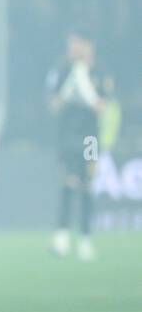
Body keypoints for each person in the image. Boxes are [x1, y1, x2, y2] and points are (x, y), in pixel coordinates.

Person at [47, 33, 112, 261]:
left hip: (90, 138)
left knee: (87, 185)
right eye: (71, 44)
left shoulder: (99, 71)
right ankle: (61, 238)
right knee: (68, 182)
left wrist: (86, 87)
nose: (74, 48)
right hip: (67, 136)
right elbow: (54, 104)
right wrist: (69, 87)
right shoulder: (62, 70)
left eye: (78, 44)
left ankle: (85, 239)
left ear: (88, 45)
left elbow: (102, 105)